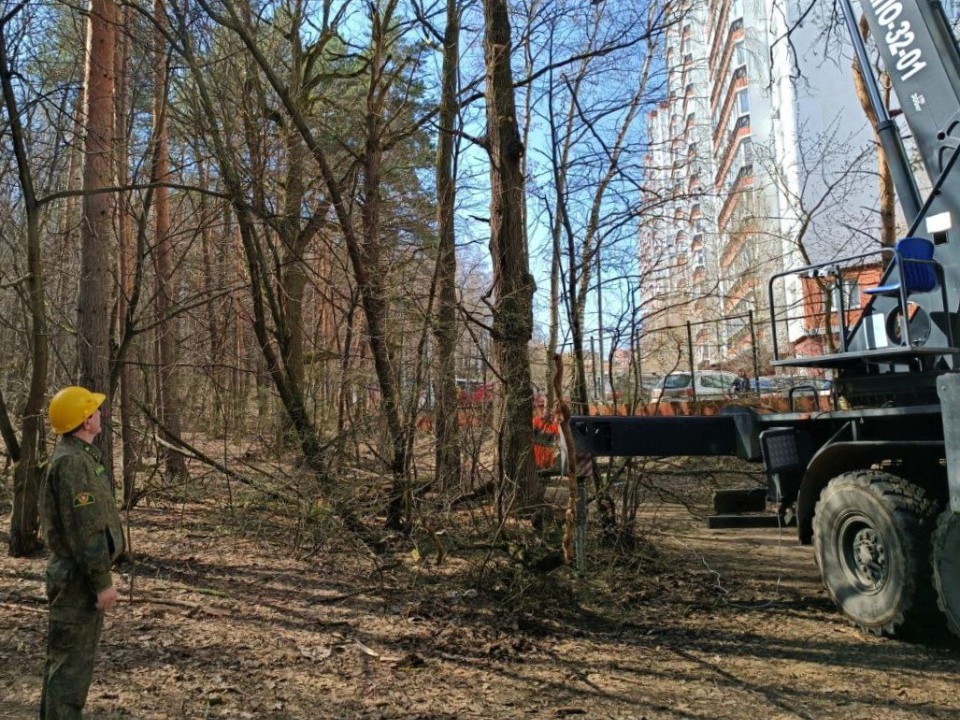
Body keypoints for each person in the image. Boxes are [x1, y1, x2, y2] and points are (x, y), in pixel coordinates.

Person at [40, 386, 124, 719]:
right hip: (78, 581)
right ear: (84, 421)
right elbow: (87, 529)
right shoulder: (74, 464)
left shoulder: (79, 458)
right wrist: (102, 582)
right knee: (69, 675)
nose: (100, 414)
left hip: (76, 577)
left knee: (65, 667)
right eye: (94, 410)